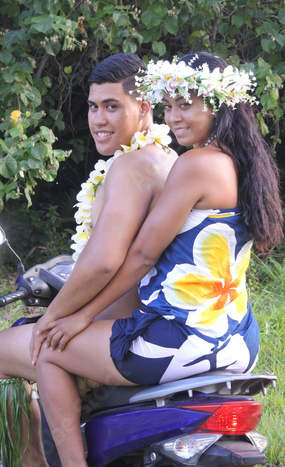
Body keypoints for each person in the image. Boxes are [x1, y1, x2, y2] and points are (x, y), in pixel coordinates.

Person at [33, 52, 283, 467]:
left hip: (184, 338)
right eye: (169, 106)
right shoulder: (242, 163)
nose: (175, 117)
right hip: (239, 340)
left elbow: (142, 255)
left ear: (216, 103)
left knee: (50, 352)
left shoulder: (196, 164)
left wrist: (81, 314)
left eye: (186, 104)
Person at [0, 53, 178, 467]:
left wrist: (58, 313)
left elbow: (105, 261)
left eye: (112, 106)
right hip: (145, 319)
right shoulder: (164, 159)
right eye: (93, 106)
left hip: (123, 328)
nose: (98, 119)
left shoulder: (130, 165)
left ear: (144, 107)